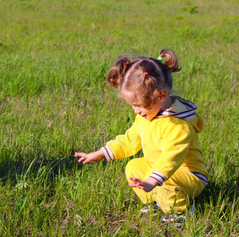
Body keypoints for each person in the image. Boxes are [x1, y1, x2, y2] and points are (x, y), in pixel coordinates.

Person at [75, 49, 208, 220]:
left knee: (162, 181)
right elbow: (130, 140)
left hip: (188, 175)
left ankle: (182, 211)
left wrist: (153, 180)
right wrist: (101, 153)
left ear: (161, 96)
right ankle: (157, 200)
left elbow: (171, 158)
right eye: (132, 104)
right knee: (133, 167)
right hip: (161, 172)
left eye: (139, 104)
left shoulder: (177, 125)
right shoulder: (145, 117)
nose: (136, 110)